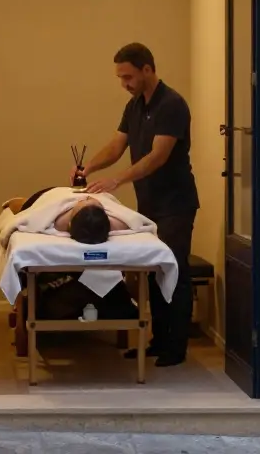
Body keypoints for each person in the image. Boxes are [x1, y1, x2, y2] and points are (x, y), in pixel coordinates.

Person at [78, 42, 199, 367]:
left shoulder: (172, 104)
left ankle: (176, 348)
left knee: (173, 269)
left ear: (147, 69)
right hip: (149, 204)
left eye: (128, 76)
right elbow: (117, 145)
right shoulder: (135, 106)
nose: (125, 84)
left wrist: (116, 180)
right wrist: (88, 168)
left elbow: (158, 156)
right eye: (120, 78)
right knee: (150, 272)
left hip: (175, 203)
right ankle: (158, 341)